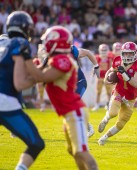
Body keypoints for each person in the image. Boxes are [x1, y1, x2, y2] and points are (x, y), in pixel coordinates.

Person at [24, 26, 98, 170]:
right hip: (68, 113)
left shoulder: (63, 60)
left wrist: (26, 57)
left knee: (81, 152)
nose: (45, 44)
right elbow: (33, 77)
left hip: (75, 112)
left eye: (49, 41)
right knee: (73, 151)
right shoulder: (53, 59)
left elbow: (41, 76)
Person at [0, 11, 45, 170]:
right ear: (26, 28)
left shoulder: (2, 42)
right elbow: (20, 84)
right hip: (5, 102)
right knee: (36, 143)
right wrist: (44, 75)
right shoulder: (19, 43)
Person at [97, 42, 137, 145]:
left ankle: (104, 137)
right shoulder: (118, 60)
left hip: (130, 98)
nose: (127, 56)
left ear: (135, 54)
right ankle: (106, 119)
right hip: (119, 92)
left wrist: (124, 73)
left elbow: (136, 83)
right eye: (125, 53)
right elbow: (110, 71)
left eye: (130, 53)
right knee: (113, 113)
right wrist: (106, 79)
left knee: (121, 123)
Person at [71, 45, 100, 137]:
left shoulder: (72, 51)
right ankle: (87, 127)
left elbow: (87, 52)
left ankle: (85, 129)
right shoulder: (52, 57)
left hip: (80, 82)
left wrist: (96, 66)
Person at [92, 44, 113, 111]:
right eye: (102, 50)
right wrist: (92, 75)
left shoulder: (109, 58)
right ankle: (97, 105)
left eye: (105, 50)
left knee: (109, 92)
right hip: (100, 77)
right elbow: (95, 67)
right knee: (98, 92)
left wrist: (110, 76)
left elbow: (111, 68)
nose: (103, 51)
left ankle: (109, 105)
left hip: (107, 77)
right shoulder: (97, 58)